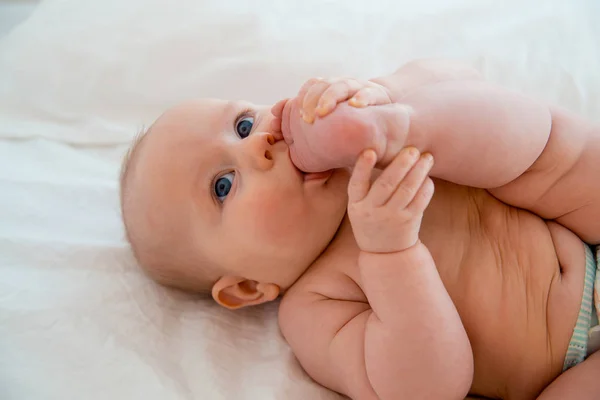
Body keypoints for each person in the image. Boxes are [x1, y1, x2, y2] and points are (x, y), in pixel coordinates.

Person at [119, 58, 600, 399]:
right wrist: (392, 255)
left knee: (542, 142)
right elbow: (426, 388)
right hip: (573, 365)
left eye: (243, 125)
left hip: (583, 223)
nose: (260, 142)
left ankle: (408, 121)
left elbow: (461, 76)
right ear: (247, 287)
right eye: (223, 185)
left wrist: (386, 91)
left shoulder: (359, 145)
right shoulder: (314, 307)